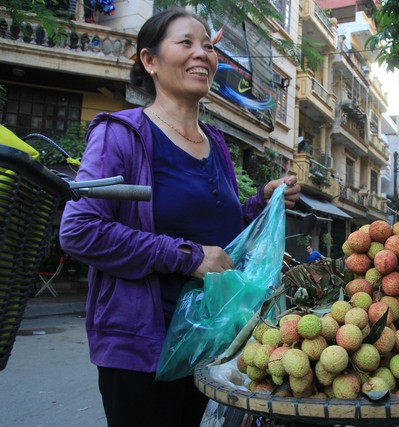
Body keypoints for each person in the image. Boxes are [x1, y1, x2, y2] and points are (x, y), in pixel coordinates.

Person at [58, 8, 300, 427]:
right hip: (142, 351)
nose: (202, 54)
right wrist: (188, 257)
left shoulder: (218, 144)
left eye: (208, 45)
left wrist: (260, 201)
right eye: (186, 42)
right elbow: (80, 231)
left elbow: (221, 237)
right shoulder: (121, 133)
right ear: (149, 61)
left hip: (209, 343)